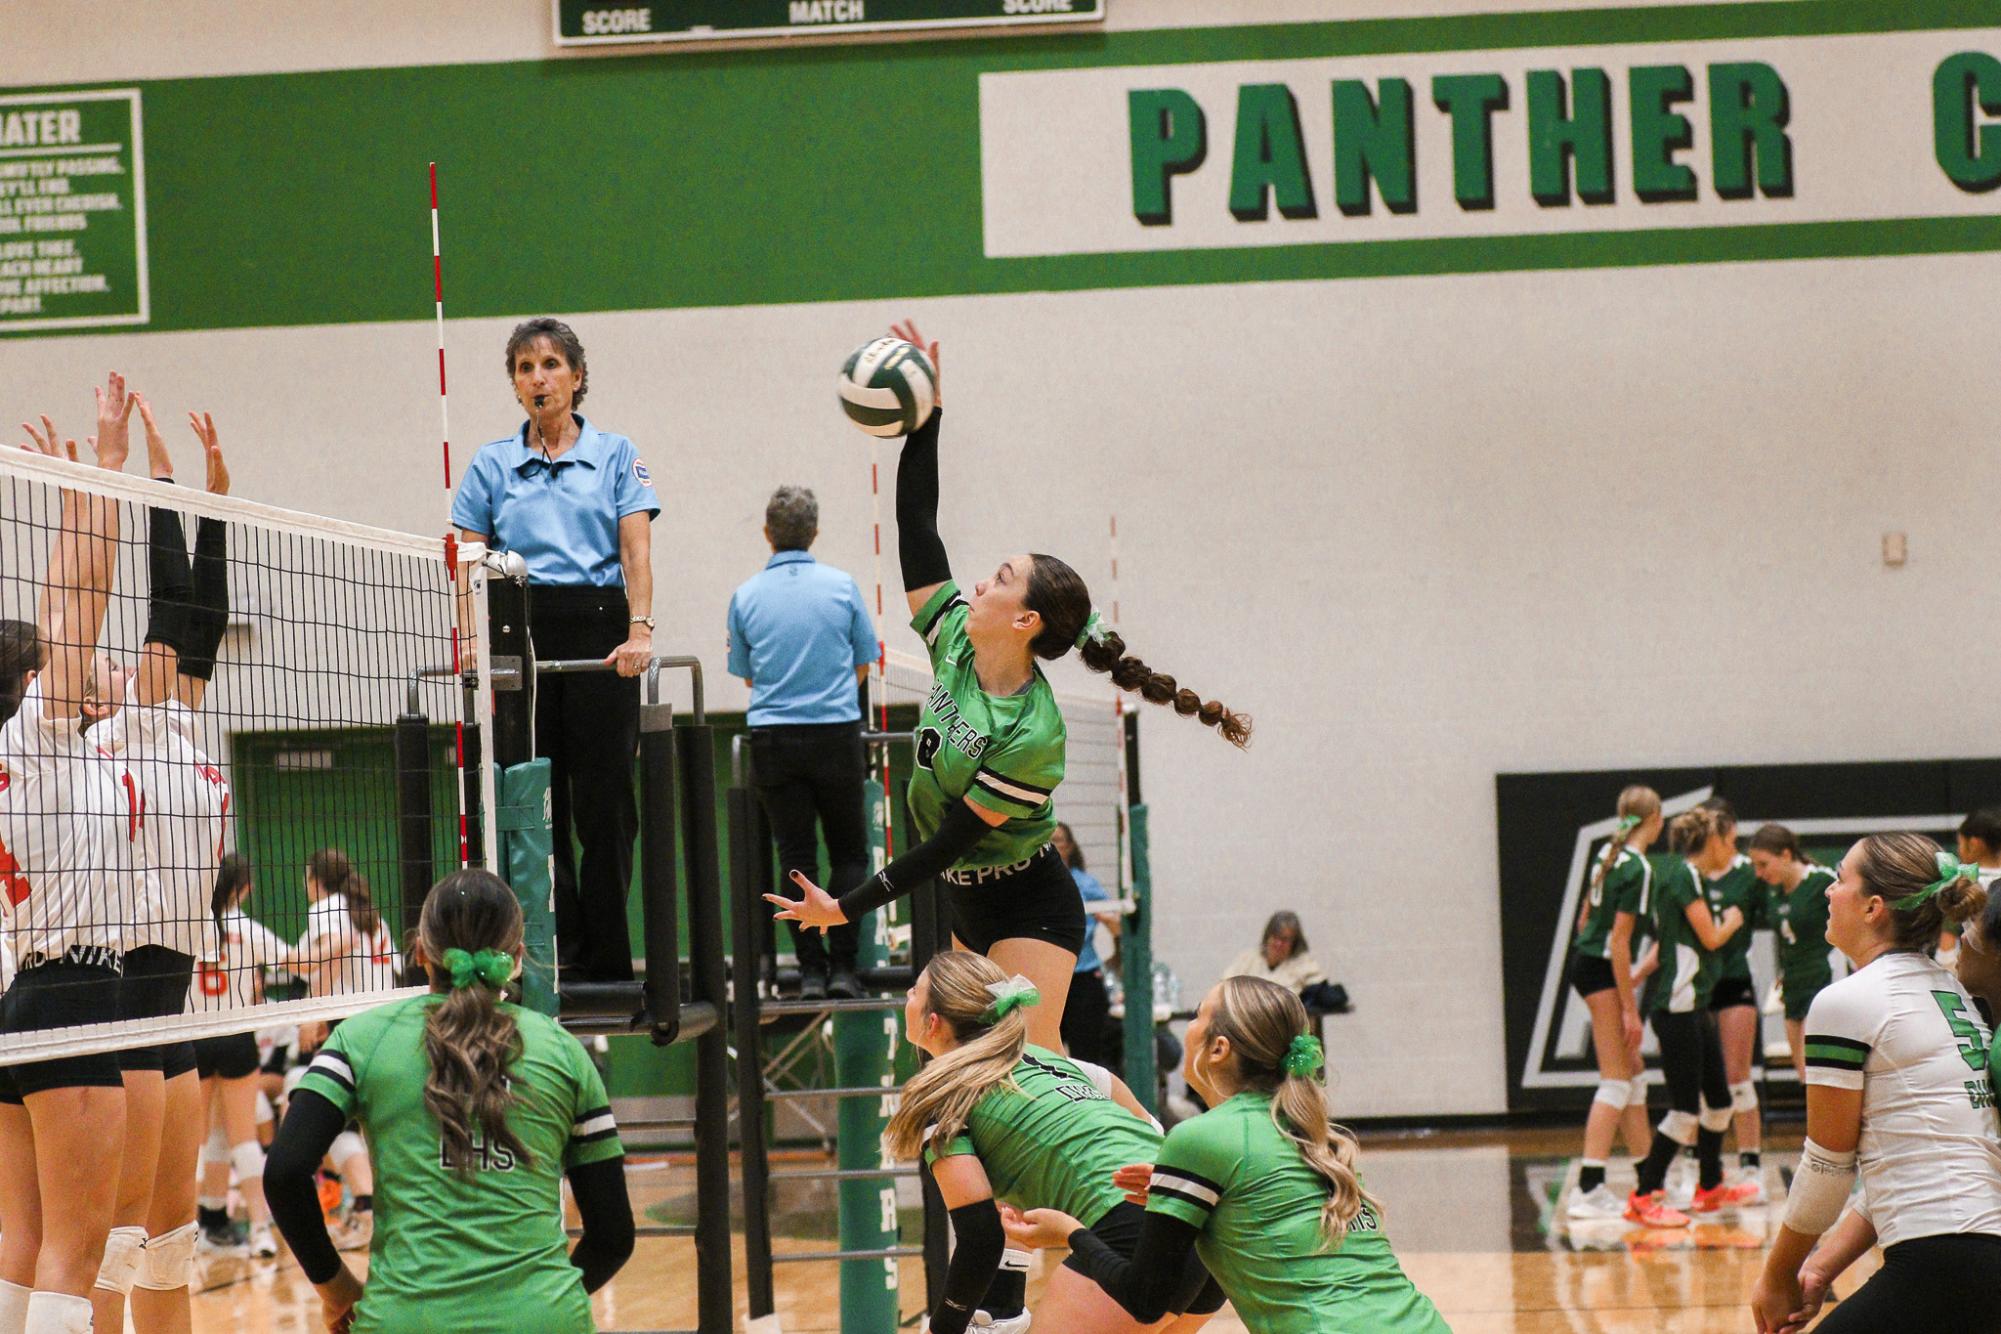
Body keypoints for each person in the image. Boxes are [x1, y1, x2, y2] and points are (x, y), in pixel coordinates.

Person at [768, 321, 1250, 1053]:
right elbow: (915, 524)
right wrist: (925, 419)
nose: (980, 579)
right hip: (969, 892)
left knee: (1035, 1057)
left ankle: (1144, 1147)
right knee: (984, 1058)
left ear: (1024, 618)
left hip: (1029, 898)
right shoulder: (954, 638)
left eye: (999, 577)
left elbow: (946, 841)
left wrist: (848, 908)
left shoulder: (1032, 732)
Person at [265, 869, 635, 1333]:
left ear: (420, 951)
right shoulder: (564, 1050)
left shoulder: (360, 1039)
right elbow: (613, 1237)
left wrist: (336, 1287)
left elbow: (283, 1172)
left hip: (406, 1321)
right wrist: (541, 1305)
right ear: (517, 958)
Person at [1005, 975, 1448, 1332]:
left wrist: (1070, 1233)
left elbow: (1144, 1301)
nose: (1189, 1027)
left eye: (1198, 1015)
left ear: (1218, 1049)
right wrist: (1175, 1190)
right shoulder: (1319, 1136)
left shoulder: (1202, 1137)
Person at [77, 398, 236, 1334]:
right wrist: (145, 488)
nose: (129, 662)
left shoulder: (177, 729)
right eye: (109, 667)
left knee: (169, 1253)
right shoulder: (101, 746)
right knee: (112, 1247)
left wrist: (201, 502)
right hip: (123, 1006)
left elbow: (195, 615)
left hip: (176, 1019)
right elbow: (170, 615)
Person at [452, 318, 661, 982]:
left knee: (605, 803)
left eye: (549, 364)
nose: (537, 377)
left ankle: (606, 949)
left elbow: (635, 549)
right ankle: (550, 945)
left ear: (574, 375)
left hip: (599, 628)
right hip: (520, 626)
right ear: (515, 384)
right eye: (523, 367)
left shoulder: (617, 453)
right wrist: (469, 641)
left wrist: (640, 630)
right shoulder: (490, 463)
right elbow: (462, 558)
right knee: (533, 796)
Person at [0, 381, 143, 1334]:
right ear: (30, 679)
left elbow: (66, 606)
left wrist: (79, 493)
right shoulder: (39, 736)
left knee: (20, 1239)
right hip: (76, 994)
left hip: (22, 1002)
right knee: (75, 1248)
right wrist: (97, 479)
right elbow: (77, 597)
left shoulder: (30, 748)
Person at [886, 950, 1222, 1333]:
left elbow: (980, 1239)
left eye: (914, 991)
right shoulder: (1040, 1059)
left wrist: (943, 1327)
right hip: (1201, 1223)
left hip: (1134, 1234)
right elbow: (1125, 1117)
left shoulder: (946, 1095)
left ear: (933, 1023)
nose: (907, 996)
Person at [1750, 835, 2001, 1334]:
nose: (1827, 890)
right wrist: (1821, 1266)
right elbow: (1913, 1154)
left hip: (1943, 1258)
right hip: (1975, 1249)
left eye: (1840, 878)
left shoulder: (1847, 1002)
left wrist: (1777, 1274)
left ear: (1873, 907)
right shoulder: (1950, 990)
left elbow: (1828, 1165)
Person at [727, 485, 877, 1000]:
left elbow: (746, 676)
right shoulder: (842, 587)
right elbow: (865, 661)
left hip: (774, 739)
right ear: (815, 533)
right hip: (836, 734)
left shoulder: (745, 596)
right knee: (850, 852)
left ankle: (810, 973)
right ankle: (844, 968)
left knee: (796, 855)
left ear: (767, 534)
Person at [1625, 804, 1753, 1227]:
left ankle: (1710, 1185)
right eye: (1728, 841)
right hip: (1677, 1009)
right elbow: (1711, 938)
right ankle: (1644, 1195)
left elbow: (1668, 941)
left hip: (1694, 1006)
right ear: (1712, 840)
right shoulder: (1683, 875)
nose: (1731, 850)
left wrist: (1638, 974)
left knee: (1719, 1101)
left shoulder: (1684, 877)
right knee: (1684, 1111)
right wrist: (1733, 921)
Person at [1563, 787, 1662, 1221]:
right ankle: (1588, 1187)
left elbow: (1586, 918)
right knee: (1616, 1081)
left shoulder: (1609, 853)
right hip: (1603, 969)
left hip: (1589, 963)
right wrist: (1629, 1009)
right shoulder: (1637, 867)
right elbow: (1619, 944)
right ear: (1655, 819)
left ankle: (1648, 1182)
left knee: (1633, 1075)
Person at [191, 853, 286, 1262]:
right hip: (236, 1035)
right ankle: (261, 1231)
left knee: (196, 1140)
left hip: (192, 1036)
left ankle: (186, 1235)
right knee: (241, 1136)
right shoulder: (246, 929)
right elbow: (296, 960)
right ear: (243, 889)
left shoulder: (187, 926)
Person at [1692, 796, 1765, 1200]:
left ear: (1729, 832)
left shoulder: (1748, 875)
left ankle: (1750, 1163)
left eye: (1716, 831)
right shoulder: (1691, 875)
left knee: (1737, 1077)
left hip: (1735, 979)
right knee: (1704, 1082)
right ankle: (1702, 1165)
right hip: (1699, 985)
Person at [1746, 824, 1836, 1084]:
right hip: (1793, 986)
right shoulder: (1771, 890)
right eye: (1755, 866)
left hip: (1822, 981)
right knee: (1805, 1077)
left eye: (1763, 864)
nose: (1759, 873)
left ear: (1786, 855)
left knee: (1820, 1072)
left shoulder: (1822, 881)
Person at [1054, 822, 1118, 1064]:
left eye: (1058, 840)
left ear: (1069, 846)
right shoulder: (1036, 884)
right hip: (1050, 978)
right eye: (1047, 841)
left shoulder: (1085, 884)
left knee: (1088, 1057)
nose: (1052, 846)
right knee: (1049, 1055)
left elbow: (1117, 921)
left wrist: (1110, 922)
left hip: (1083, 979)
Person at [1221, 912, 1325, 996]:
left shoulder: (1305, 964)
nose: (1278, 944)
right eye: (1275, 937)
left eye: (1285, 939)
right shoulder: (1248, 959)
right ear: (1267, 937)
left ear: (1294, 943)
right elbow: (1225, 985)